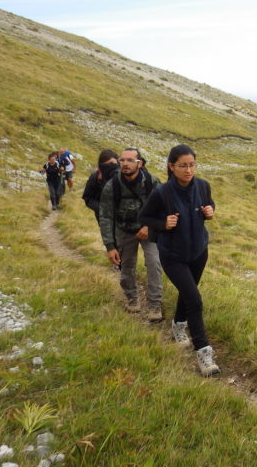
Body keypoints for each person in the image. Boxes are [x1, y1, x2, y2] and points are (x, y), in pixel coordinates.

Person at [139, 144, 220, 377]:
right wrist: (163, 223)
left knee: (189, 292)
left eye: (192, 164)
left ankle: (178, 325)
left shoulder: (203, 186)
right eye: (183, 166)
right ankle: (203, 352)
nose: (188, 170)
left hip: (198, 252)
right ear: (171, 167)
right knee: (195, 300)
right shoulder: (162, 193)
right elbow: (144, 217)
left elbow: (210, 204)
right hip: (173, 256)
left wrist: (210, 211)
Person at [99, 147, 164, 322]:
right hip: (124, 231)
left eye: (130, 160)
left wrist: (149, 226)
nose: (125, 164)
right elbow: (105, 216)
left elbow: (163, 208)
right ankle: (132, 299)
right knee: (126, 266)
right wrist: (110, 246)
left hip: (147, 231)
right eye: (122, 160)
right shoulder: (112, 186)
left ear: (139, 163)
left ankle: (154, 305)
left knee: (154, 264)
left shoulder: (152, 182)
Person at [82, 148, 119, 223]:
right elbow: (87, 198)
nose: (111, 166)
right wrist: (102, 209)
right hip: (104, 218)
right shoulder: (95, 177)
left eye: (113, 163)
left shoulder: (123, 175)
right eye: (107, 164)